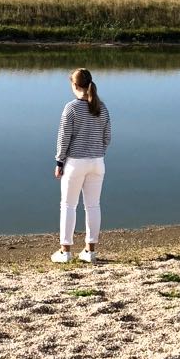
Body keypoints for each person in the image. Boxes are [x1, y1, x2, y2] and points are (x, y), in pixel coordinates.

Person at [51, 68, 111, 263]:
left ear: (75, 85)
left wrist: (59, 161)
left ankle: (65, 251)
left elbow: (63, 138)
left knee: (68, 206)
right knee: (93, 206)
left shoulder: (71, 108)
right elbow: (107, 138)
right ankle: (89, 251)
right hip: (97, 162)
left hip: (75, 163)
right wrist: (96, 151)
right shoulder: (102, 107)